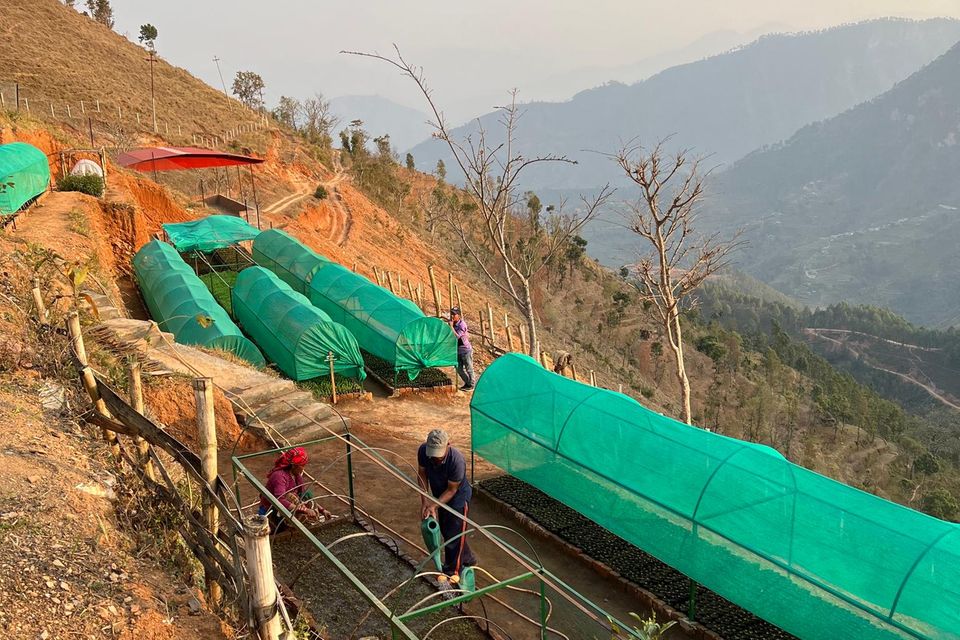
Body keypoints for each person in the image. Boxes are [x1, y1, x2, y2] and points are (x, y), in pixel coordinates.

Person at [417, 429, 477, 577]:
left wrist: (433, 505)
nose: (435, 458)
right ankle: (468, 558)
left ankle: (453, 572)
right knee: (446, 529)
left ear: (448, 445)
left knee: (454, 535)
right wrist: (424, 501)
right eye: (433, 454)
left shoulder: (457, 461)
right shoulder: (424, 451)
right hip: (439, 494)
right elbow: (422, 474)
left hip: (458, 498)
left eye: (439, 454)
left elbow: (452, 490)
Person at [258, 446, 330, 532]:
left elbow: (305, 495)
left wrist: (322, 510)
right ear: (294, 466)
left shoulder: (296, 476)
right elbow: (280, 500)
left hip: (286, 506)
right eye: (302, 466)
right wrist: (305, 510)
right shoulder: (279, 476)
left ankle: (295, 524)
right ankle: (282, 527)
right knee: (290, 496)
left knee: (307, 495)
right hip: (271, 509)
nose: (303, 468)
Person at [450, 307, 474, 391]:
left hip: (466, 350)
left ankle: (471, 385)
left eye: (454, 314)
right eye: (451, 314)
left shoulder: (462, 325)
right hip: (458, 351)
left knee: (469, 369)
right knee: (459, 369)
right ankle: (467, 383)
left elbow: (457, 336)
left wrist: (451, 327)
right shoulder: (453, 324)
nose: (452, 316)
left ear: (459, 315)